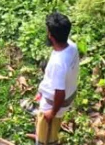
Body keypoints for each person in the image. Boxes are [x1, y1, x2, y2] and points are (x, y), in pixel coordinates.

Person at [34, 13, 79, 145]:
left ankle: (43, 140)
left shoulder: (57, 64)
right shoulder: (72, 46)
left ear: (51, 35)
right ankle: (39, 135)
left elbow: (60, 93)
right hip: (68, 96)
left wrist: (51, 113)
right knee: (47, 128)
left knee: (47, 134)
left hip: (53, 105)